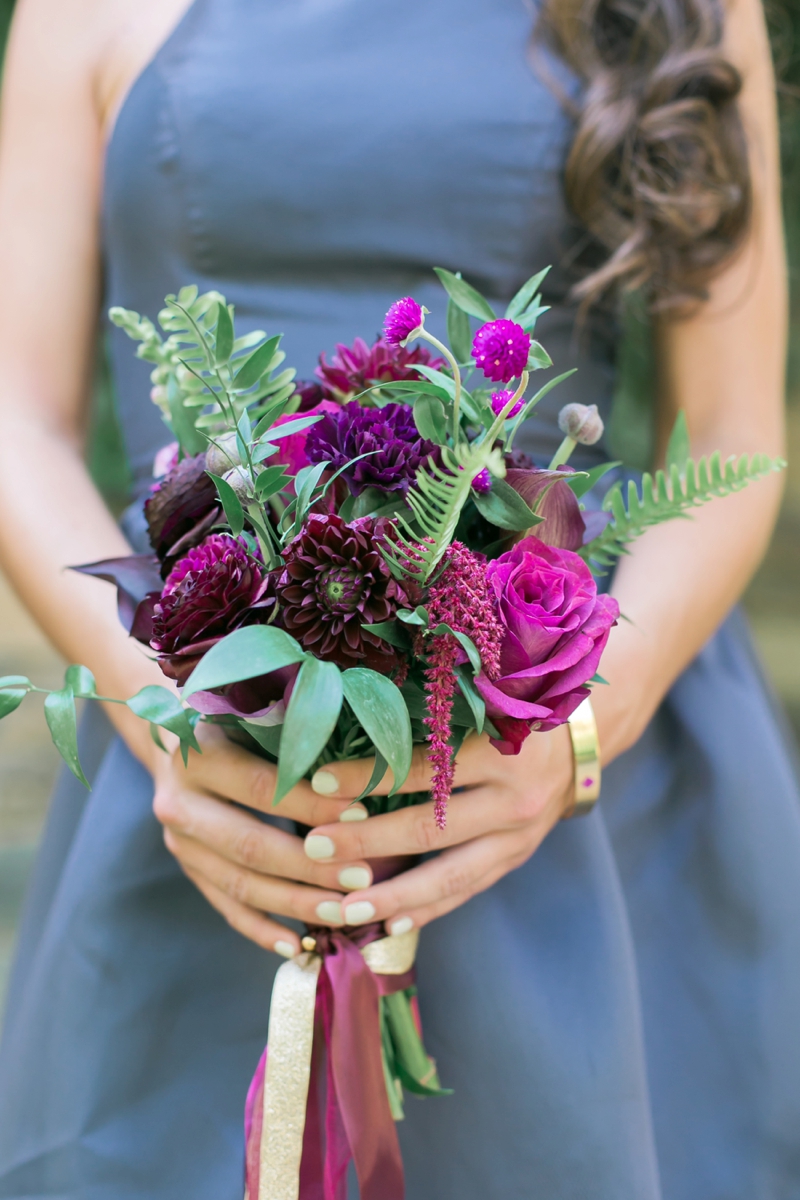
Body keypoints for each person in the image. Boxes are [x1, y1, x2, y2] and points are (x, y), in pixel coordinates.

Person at [0, 0, 795, 1195]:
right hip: (200, 737)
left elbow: (735, 441)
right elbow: (15, 415)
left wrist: (575, 738)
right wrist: (162, 728)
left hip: (574, 751)